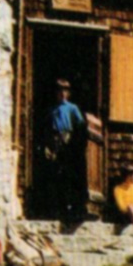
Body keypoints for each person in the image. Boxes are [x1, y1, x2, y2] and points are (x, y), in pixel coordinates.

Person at [40, 79, 87, 223]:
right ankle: (56, 207)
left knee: (69, 174)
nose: (62, 94)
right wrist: (47, 146)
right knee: (55, 174)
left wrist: (75, 142)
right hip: (55, 141)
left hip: (68, 140)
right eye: (59, 91)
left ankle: (72, 207)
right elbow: (46, 129)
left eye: (65, 91)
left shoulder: (72, 108)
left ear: (68, 93)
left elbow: (80, 125)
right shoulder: (51, 110)